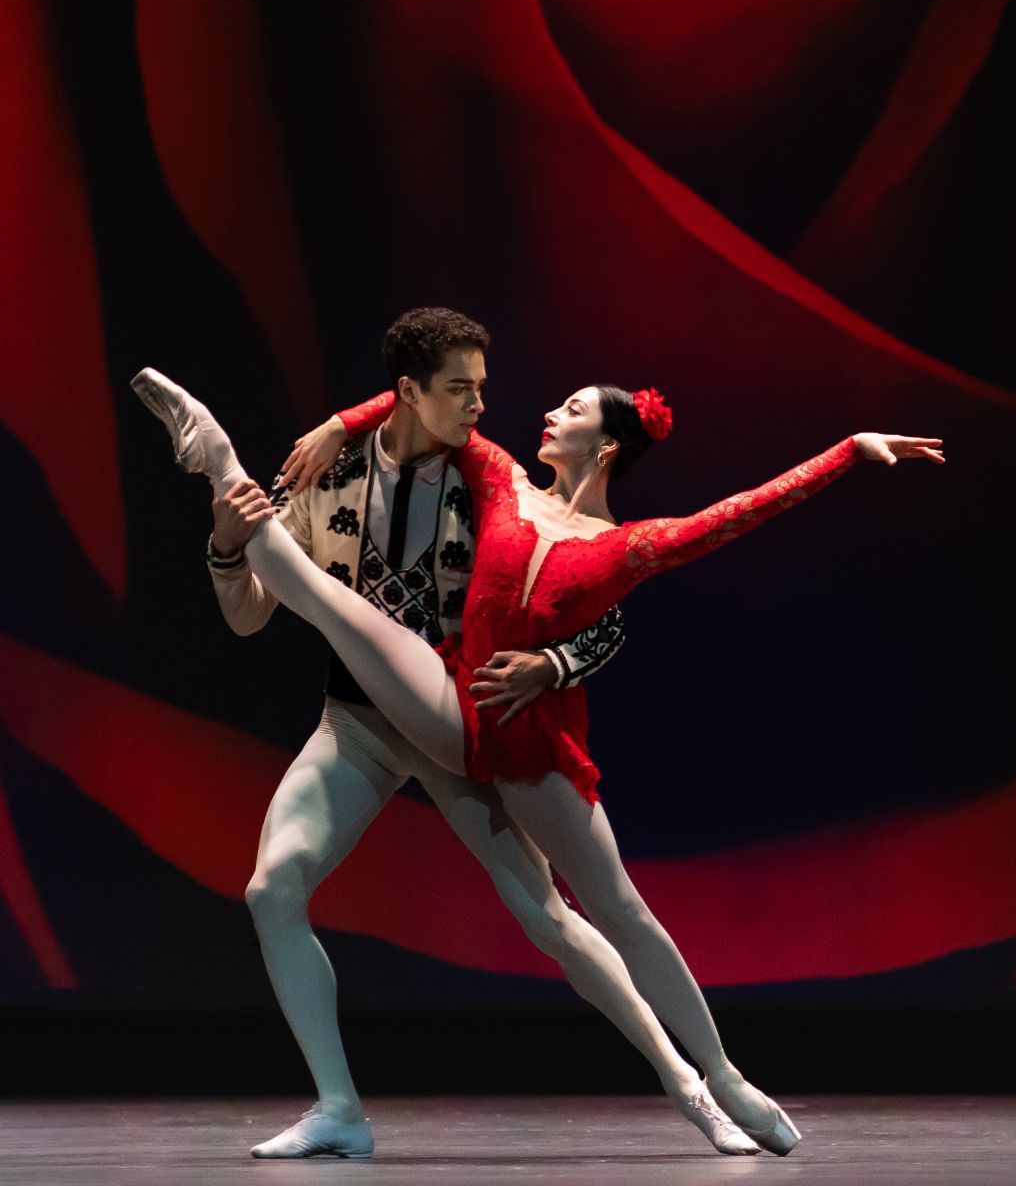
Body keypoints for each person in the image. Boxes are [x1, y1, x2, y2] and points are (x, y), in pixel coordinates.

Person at [133, 357, 943, 1159]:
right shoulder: (493, 481)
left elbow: (734, 516)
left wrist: (848, 450)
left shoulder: (615, 538)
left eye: (573, 406)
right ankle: (217, 459)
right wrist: (337, 424)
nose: (535, 410)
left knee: (597, 914)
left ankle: (710, 1078)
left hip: (523, 744)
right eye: (469, 392)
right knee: (329, 610)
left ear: (608, 445)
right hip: (425, 708)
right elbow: (421, 381)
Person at [204, 309, 663, 1158]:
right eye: (460, 389)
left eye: (482, 388)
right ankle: (339, 1108)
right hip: (358, 724)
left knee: (552, 918)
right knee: (272, 890)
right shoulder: (324, 476)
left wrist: (555, 666)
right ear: (411, 392)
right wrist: (229, 548)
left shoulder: (493, 485)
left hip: (457, 731)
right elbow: (247, 617)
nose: (481, 406)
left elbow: (598, 602)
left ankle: (692, 1083)